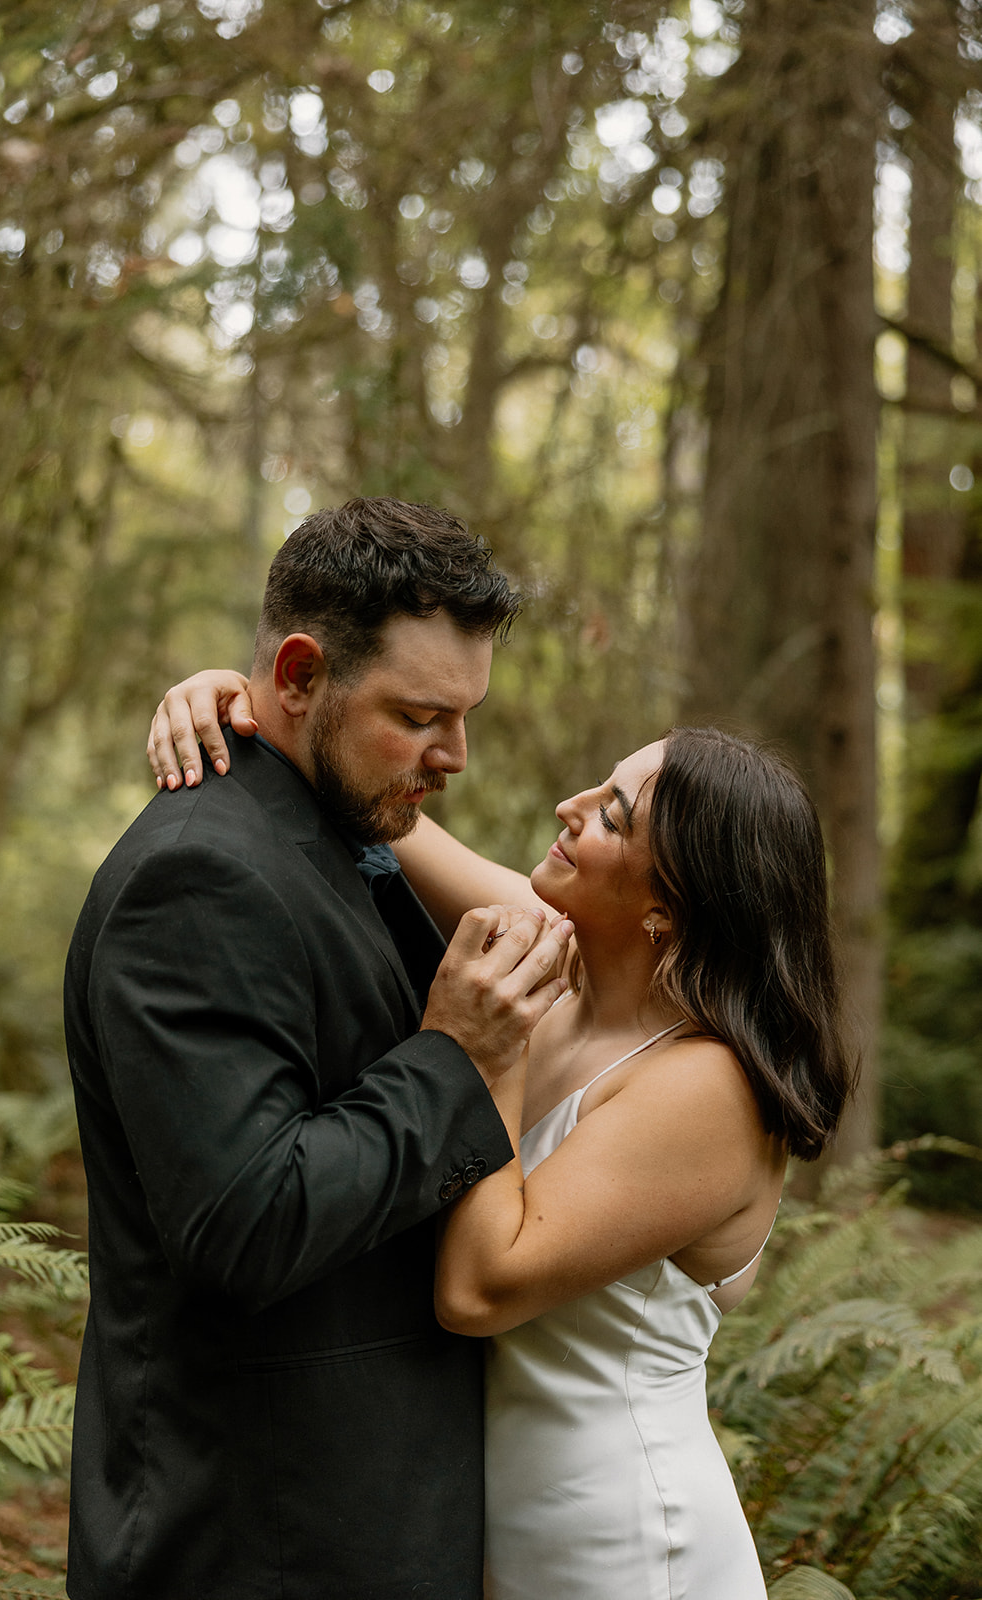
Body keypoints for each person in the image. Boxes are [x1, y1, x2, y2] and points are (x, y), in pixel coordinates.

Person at [151, 679, 855, 1600]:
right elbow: (390, 820)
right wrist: (245, 699)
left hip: (617, 1539)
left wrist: (486, 1045)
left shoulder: (707, 1087)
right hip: (484, 1516)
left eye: (611, 813)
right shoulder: (563, 967)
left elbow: (479, 1289)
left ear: (667, 908)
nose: (570, 806)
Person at [63, 498, 574, 1600]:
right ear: (298, 677)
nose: (457, 755)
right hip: (259, 1539)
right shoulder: (196, 877)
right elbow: (244, 1221)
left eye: (466, 713)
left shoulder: (339, 830)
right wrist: (452, 1057)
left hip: (360, 1520)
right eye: (421, 715)